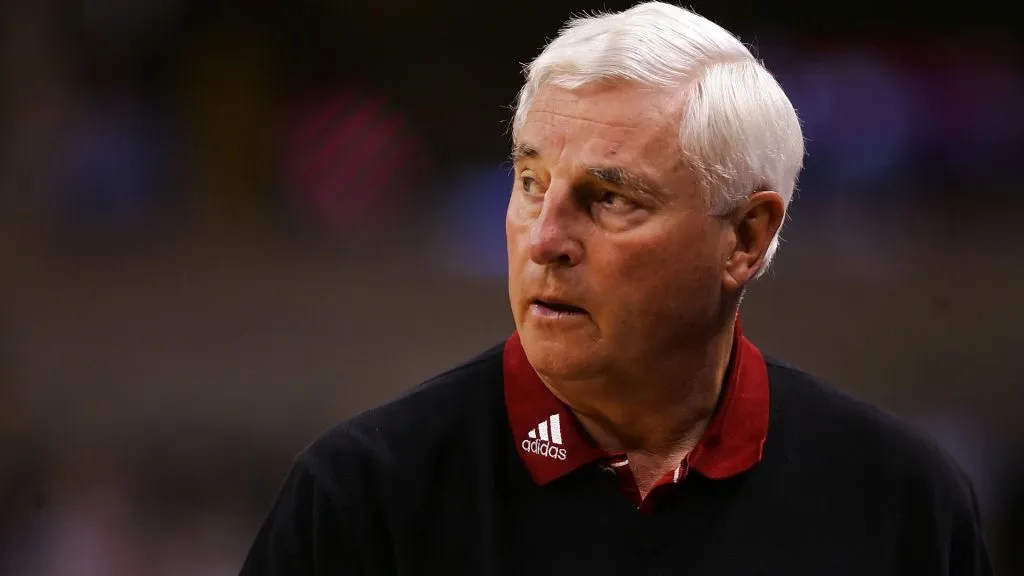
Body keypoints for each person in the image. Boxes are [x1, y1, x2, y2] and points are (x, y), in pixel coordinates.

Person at [239, 3, 993, 575]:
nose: (544, 240)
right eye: (531, 183)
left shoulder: (900, 501)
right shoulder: (365, 496)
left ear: (747, 238)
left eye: (609, 198)